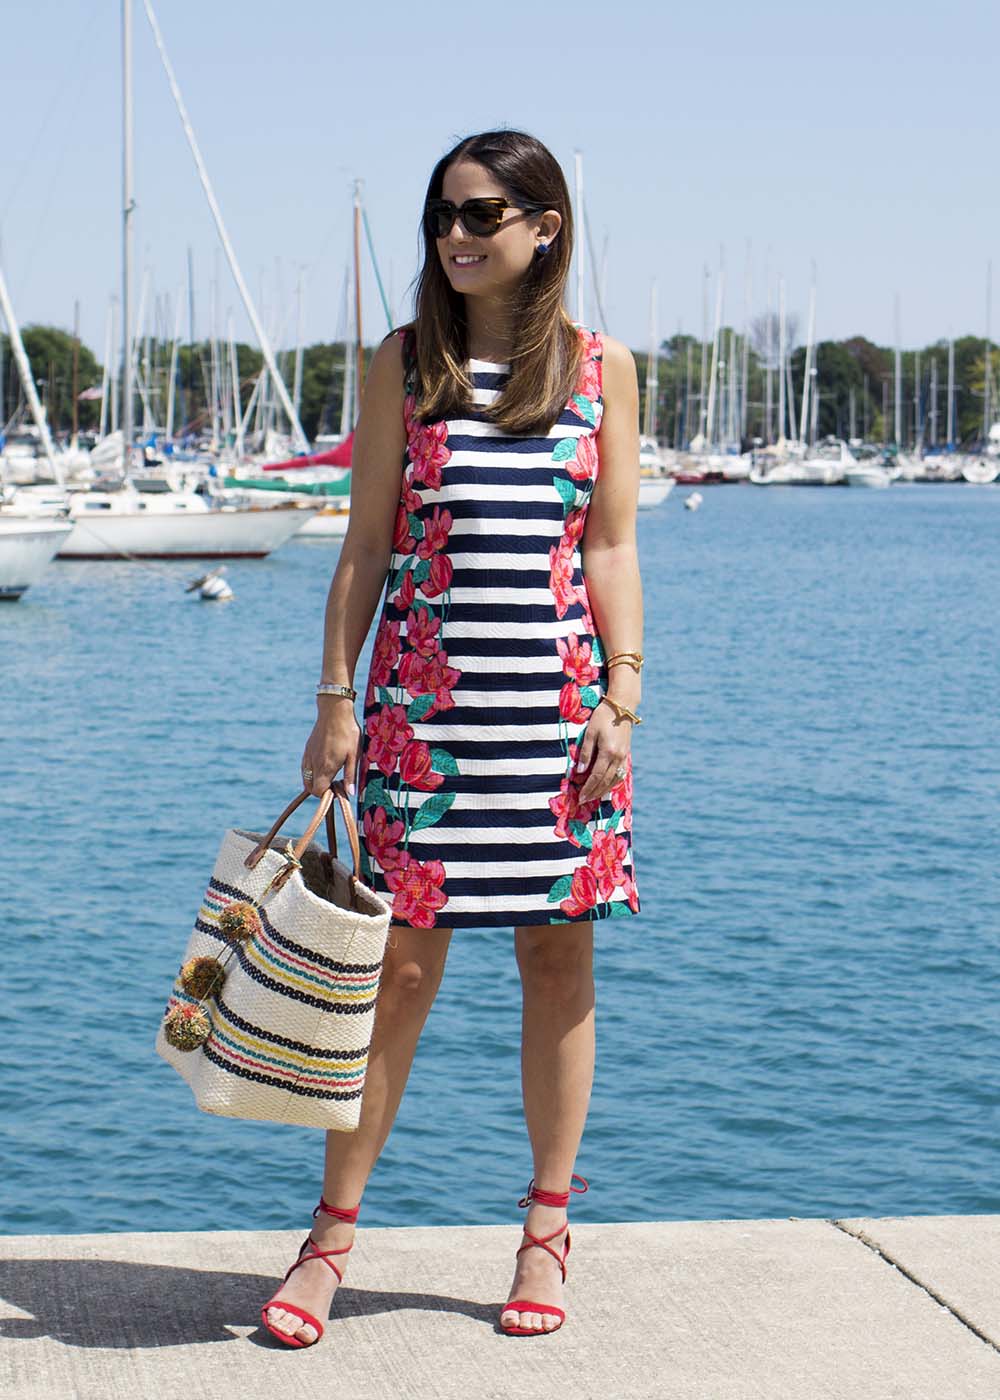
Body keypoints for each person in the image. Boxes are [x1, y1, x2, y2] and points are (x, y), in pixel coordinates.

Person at [261, 128, 643, 1348]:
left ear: (546, 227)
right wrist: (333, 698)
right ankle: (330, 1236)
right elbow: (366, 544)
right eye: (442, 214)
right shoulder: (401, 362)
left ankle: (543, 1227)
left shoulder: (601, 369)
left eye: (481, 214)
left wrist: (622, 700)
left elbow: (611, 547)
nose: (455, 236)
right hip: (422, 722)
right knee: (399, 973)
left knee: (555, 967)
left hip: (559, 721)